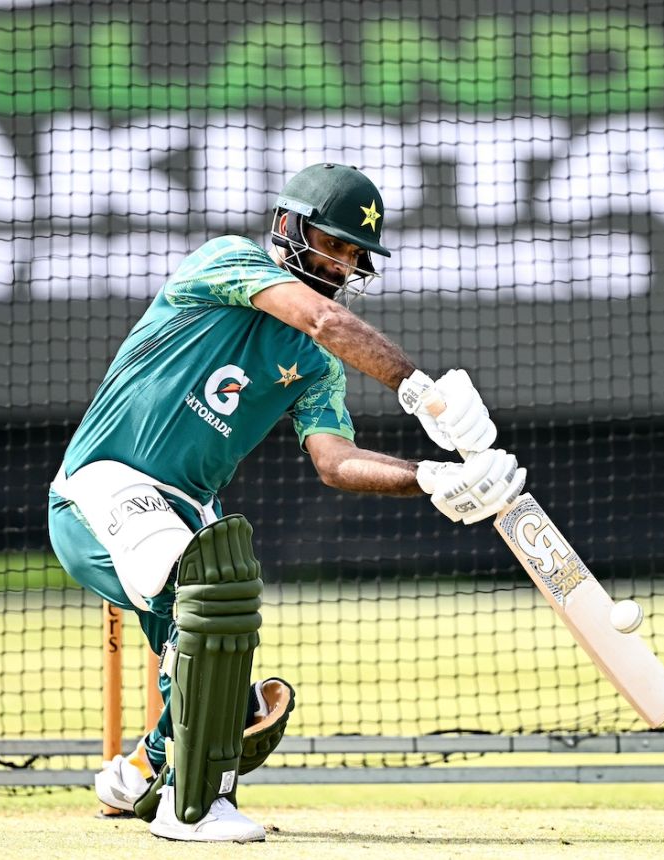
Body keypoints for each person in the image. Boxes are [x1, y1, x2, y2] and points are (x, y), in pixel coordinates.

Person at [47, 163, 527, 842]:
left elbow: (334, 461)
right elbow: (324, 318)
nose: (344, 264)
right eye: (333, 244)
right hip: (101, 487)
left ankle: (136, 777)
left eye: (356, 254)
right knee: (214, 595)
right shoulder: (226, 262)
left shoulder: (318, 365)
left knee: (223, 647)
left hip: (187, 510)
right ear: (287, 227)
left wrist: (429, 477)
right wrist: (423, 390)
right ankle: (193, 806)